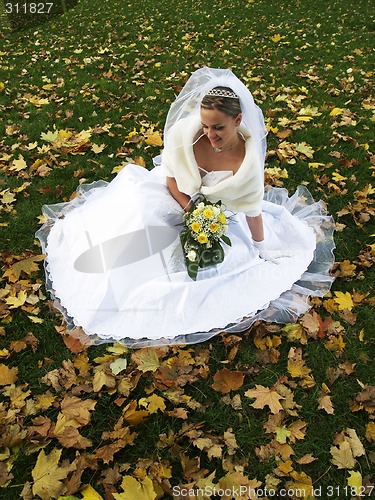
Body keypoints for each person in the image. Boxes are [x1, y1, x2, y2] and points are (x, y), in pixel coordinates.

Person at [36, 67, 335, 347]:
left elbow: (252, 210)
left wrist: (261, 247)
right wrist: (189, 206)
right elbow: (170, 177)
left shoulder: (249, 164)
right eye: (205, 126)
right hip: (174, 196)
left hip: (213, 216)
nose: (210, 135)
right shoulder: (185, 135)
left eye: (218, 128)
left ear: (238, 121)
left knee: (208, 264)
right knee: (144, 219)